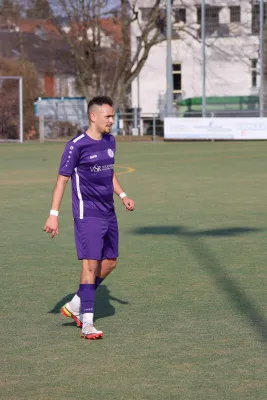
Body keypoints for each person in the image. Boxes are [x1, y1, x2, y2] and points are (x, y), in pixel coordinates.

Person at [43, 96, 135, 340]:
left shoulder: (110, 141)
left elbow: (109, 171)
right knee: (90, 264)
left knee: (110, 262)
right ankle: (87, 322)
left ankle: (75, 304)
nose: (112, 121)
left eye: (113, 116)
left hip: (108, 210)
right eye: (108, 116)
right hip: (87, 212)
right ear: (93, 116)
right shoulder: (76, 145)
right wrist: (54, 215)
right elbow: (62, 180)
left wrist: (123, 194)